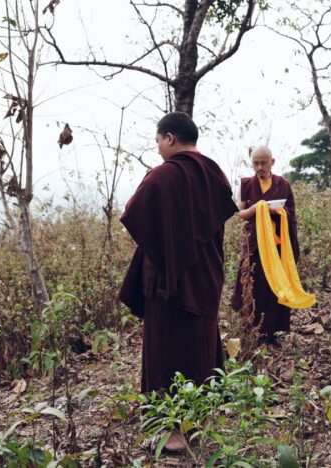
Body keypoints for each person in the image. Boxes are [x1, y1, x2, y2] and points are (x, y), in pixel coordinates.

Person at [119, 112, 237, 451]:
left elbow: (134, 212)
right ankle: (196, 421)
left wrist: (163, 246)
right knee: (197, 345)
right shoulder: (216, 174)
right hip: (205, 276)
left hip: (170, 280)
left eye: (158, 141)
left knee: (167, 348)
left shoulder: (163, 176)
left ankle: (172, 436)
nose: (157, 148)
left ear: (170, 137)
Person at [232, 146, 298, 345]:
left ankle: (271, 332)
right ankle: (251, 329)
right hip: (254, 243)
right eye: (255, 163)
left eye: (263, 162)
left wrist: (279, 211)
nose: (259, 167)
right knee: (251, 284)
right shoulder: (246, 184)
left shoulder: (283, 184)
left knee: (272, 287)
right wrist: (259, 207)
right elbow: (241, 213)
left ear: (272, 162)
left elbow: (291, 212)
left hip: (276, 244)